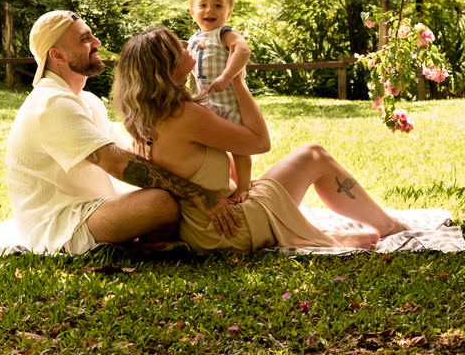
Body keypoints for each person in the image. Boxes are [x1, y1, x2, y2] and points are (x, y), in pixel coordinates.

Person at [113, 26, 407, 253]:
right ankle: (387, 226)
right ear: (166, 69)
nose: (183, 43)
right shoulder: (184, 115)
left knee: (275, 181)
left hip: (201, 228)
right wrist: (238, 81)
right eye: (175, 45)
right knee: (313, 154)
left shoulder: (141, 121)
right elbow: (259, 142)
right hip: (229, 228)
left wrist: (242, 185)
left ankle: (313, 233)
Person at [6, 11, 239, 254]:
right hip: (62, 226)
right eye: (85, 39)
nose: (97, 42)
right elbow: (118, 164)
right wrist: (198, 194)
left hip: (96, 208)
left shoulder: (87, 100)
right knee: (161, 203)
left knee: (165, 195)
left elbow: (129, 152)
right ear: (57, 55)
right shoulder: (51, 103)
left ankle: (142, 244)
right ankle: (142, 247)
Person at [186, 0, 252, 203]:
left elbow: (243, 51)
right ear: (192, 11)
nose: (210, 10)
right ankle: (223, 182)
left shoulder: (225, 34)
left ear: (228, 12)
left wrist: (226, 76)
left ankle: (244, 185)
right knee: (212, 148)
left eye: (218, 5)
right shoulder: (194, 39)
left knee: (240, 146)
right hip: (207, 104)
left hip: (230, 101)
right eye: (203, 5)